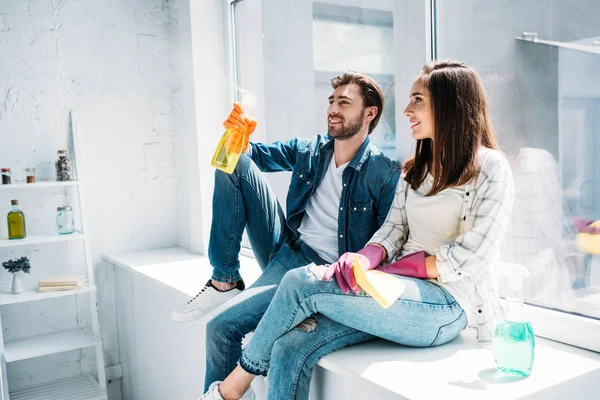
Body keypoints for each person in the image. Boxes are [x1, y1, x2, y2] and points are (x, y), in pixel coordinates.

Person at [198, 60, 515, 400]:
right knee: (289, 347)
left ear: (450, 104)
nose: (407, 109)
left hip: (444, 304)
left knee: (300, 281)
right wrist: (364, 259)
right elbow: (391, 232)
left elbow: (469, 258)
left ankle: (231, 390)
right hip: (392, 291)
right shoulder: (415, 170)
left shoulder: (491, 168)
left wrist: (396, 268)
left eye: (417, 99)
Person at [171, 72, 400, 322]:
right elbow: (253, 156)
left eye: (344, 102)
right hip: (286, 249)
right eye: (331, 101)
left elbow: (387, 247)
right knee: (233, 163)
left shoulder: (384, 174)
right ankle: (224, 282)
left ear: (370, 113)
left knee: (227, 323)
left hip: (323, 271)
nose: (332, 109)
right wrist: (239, 136)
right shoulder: (311, 150)